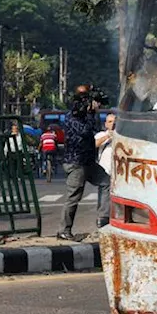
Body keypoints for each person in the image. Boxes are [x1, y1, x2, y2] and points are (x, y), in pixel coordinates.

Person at [58, 86, 114, 241]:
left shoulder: (88, 116)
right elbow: (84, 131)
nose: (98, 107)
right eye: (95, 103)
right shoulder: (72, 117)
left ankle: (103, 219)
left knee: (105, 182)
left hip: (88, 162)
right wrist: (90, 113)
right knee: (74, 197)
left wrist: (91, 112)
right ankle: (63, 230)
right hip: (75, 162)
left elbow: (94, 128)